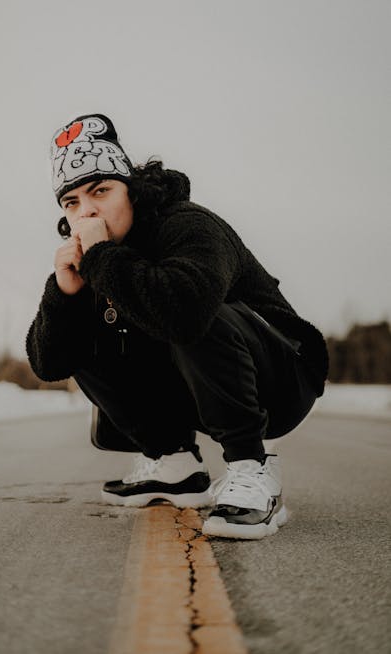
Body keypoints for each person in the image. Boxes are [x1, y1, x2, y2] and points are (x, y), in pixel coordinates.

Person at [26, 113, 329, 540]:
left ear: (131, 191)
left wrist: (100, 259)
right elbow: (50, 363)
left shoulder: (189, 226)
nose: (87, 211)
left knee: (187, 306)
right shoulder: (102, 258)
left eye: (100, 191)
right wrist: (65, 293)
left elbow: (186, 316)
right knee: (83, 327)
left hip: (283, 379)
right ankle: (174, 463)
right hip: (203, 381)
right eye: (71, 202)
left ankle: (253, 468)